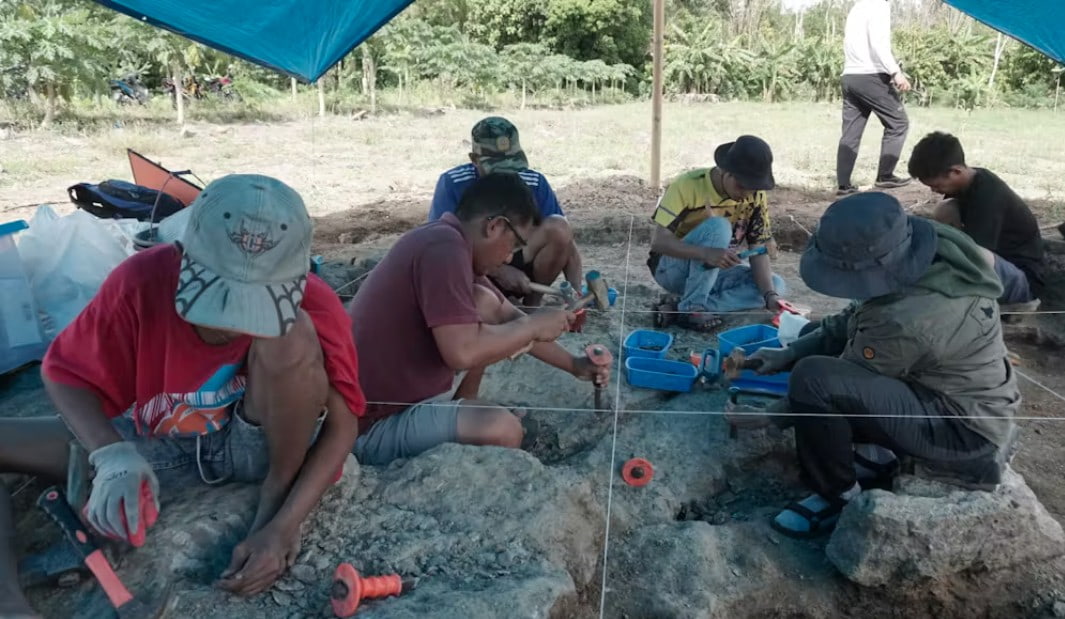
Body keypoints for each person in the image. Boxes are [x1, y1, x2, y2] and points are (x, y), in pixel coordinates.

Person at [0, 174, 366, 615]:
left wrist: (284, 525)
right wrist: (111, 456)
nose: (231, 325)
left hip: (254, 445)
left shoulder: (313, 302)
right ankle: (10, 603)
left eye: (254, 306)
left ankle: (274, 491)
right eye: (218, 299)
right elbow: (62, 374)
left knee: (293, 333)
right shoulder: (141, 281)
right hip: (159, 441)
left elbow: (344, 425)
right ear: (184, 252)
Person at [736, 192, 1018, 539]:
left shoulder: (910, 318)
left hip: (962, 433)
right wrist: (789, 353)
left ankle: (836, 494)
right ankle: (874, 454)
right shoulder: (918, 247)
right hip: (945, 391)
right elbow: (861, 315)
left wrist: (771, 416)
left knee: (814, 380)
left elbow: (844, 373)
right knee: (812, 344)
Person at [350, 172, 609, 466]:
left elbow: (504, 314)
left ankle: (462, 408)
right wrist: (532, 324)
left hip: (399, 404)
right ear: (495, 226)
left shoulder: (449, 243)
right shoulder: (443, 249)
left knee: (483, 303)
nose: (511, 258)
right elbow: (462, 353)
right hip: (369, 426)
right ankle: (461, 418)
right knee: (503, 430)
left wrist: (574, 365)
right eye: (514, 246)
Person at [429, 116, 583, 306]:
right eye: (497, 168)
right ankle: (492, 302)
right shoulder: (453, 183)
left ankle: (531, 305)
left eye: (512, 165)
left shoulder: (535, 182)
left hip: (519, 258)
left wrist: (577, 297)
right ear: (474, 160)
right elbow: (442, 245)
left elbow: (567, 242)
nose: (506, 173)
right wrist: (499, 271)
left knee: (559, 227)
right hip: (472, 264)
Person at [647, 135, 788, 330]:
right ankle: (692, 307)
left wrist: (770, 296)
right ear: (725, 171)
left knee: (775, 285)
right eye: (741, 185)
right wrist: (705, 253)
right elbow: (659, 242)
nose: (746, 193)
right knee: (719, 226)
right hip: (671, 269)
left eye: (753, 188)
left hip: (714, 272)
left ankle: (678, 308)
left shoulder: (756, 196)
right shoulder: (687, 186)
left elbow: (757, 249)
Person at [908, 131, 1045, 306]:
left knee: (972, 254)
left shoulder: (988, 197)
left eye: (936, 185)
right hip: (998, 266)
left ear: (956, 171)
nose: (934, 191)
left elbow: (974, 256)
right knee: (945, 208)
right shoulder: (968, 180)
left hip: (1021, 281)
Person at [836, 0, 912, 195]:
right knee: (898, 123)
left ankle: (843, 185)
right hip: (870, 76)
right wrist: (895, 72)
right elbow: (878, 43)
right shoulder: (879, 6)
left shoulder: (857, 7)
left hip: (850, 76)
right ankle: (885, 176)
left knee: (851, 133)